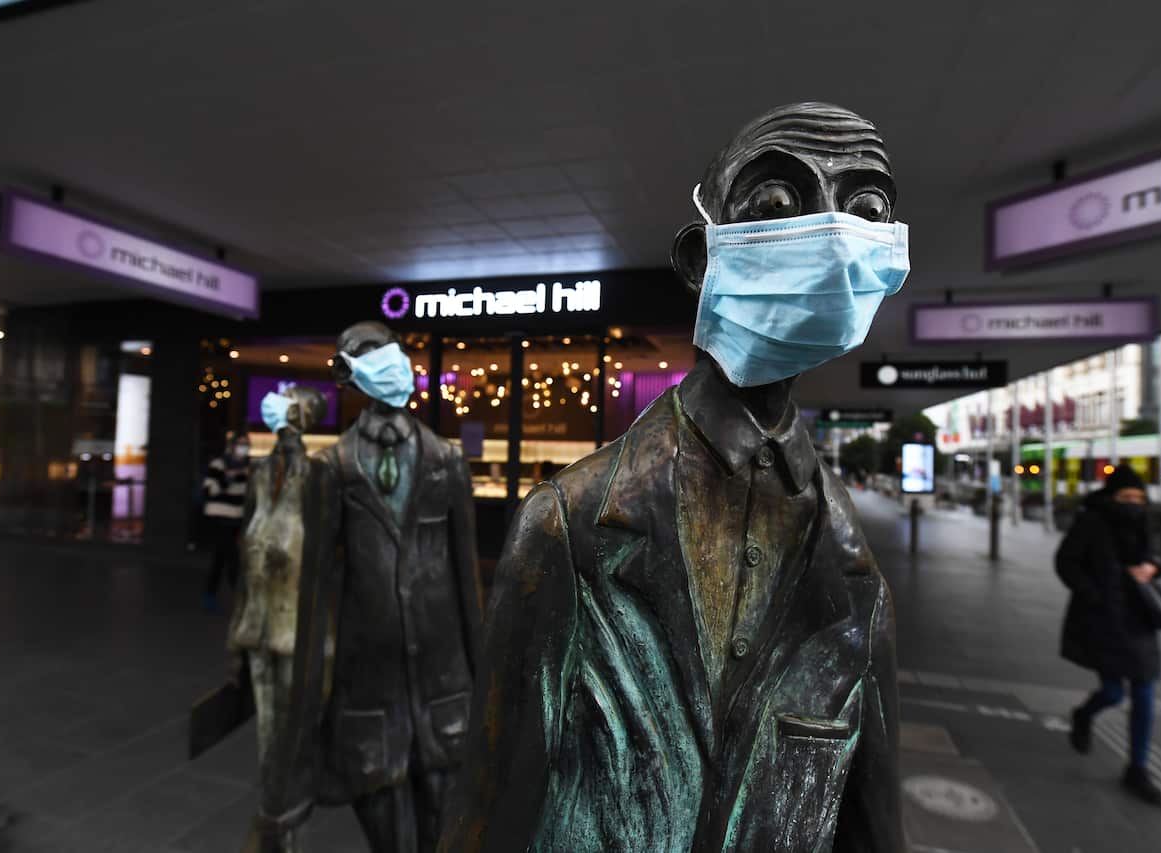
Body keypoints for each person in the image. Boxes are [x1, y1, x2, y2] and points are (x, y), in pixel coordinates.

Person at [440, 102, 907, 852]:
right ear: (700, 258)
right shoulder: (570, 523)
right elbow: (489, 808)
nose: (833, 237)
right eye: (780, 203)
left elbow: (872, 825)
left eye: (867, 207)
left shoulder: (857, 576)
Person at [255, 322, 483, 853]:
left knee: (446, 838)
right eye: (375, 358)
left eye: (393, 354)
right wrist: (299, 745)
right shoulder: (330, 470)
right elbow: (314, 604)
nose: (393, 366)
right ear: (349, 376)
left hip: (447, 695)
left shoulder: (446, 463)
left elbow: (470, 592)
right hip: (368, 701)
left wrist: (489, 692)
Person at [228, 386, 328, 851]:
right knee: (267, 735)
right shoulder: (260, 472)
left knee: (292, 736)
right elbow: (245, 552)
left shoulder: (317, 476)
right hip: (258, 624)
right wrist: (237, 628)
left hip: (296, 628)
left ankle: (284, 822)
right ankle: (273, 819)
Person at [1057, 464, 1161, 806]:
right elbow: (1066, 562)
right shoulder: (1092, 522)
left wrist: (1153, 567)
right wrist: (1093, 594)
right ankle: (1084, 714)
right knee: (1113, 691)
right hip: (1104, 619)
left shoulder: (1146, 523)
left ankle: (1137, 768)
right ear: (1112, 496)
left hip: (1140, 619)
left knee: (1145, 692)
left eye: (1139, 497)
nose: (1134, 503)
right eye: (1126, 497)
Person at [202, 431, 250, 611]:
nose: (244, 447)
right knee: (232, 558)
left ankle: (210, 595)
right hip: (218, 518)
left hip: (235, 520)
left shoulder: (248, 468)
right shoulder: (219, 464)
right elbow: (209, 490)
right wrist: (228, 477)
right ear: (232, 445)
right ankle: (239, 600)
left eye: (246, 444)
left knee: (220, 559)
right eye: (241, 443)